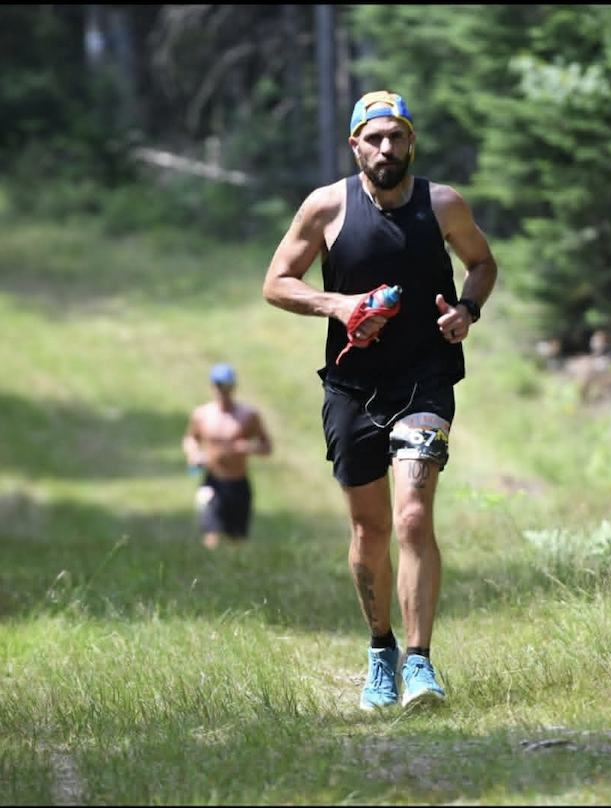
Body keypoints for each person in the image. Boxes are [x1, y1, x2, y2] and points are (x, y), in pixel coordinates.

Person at [262, 90, 498, 710]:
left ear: (411, 142)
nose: (387, 148)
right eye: (375, 138)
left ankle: (420, 664)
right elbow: (276, 282)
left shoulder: (441, 204)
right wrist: (337, 305)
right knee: (369, 528)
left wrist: (466, 311)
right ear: (355, 145)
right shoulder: (326, 207)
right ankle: (381, 654)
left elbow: (481, 263)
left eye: (397, 137)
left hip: (424, 378)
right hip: (350, 386)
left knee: (413, 516)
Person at [182, 362, 273, 550]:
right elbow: (190, 438)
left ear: (233, 387)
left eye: (226, 385)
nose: (222, 391)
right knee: (211, 536)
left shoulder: (248, 415)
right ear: (211, 386)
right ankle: (208, 574)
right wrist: (194, 454)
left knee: (237, 541)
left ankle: (234, 574)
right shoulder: (202, 415)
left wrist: (249, 448)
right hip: (213, 482)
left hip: (238, 483)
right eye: (218, 385)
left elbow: (267, 446)